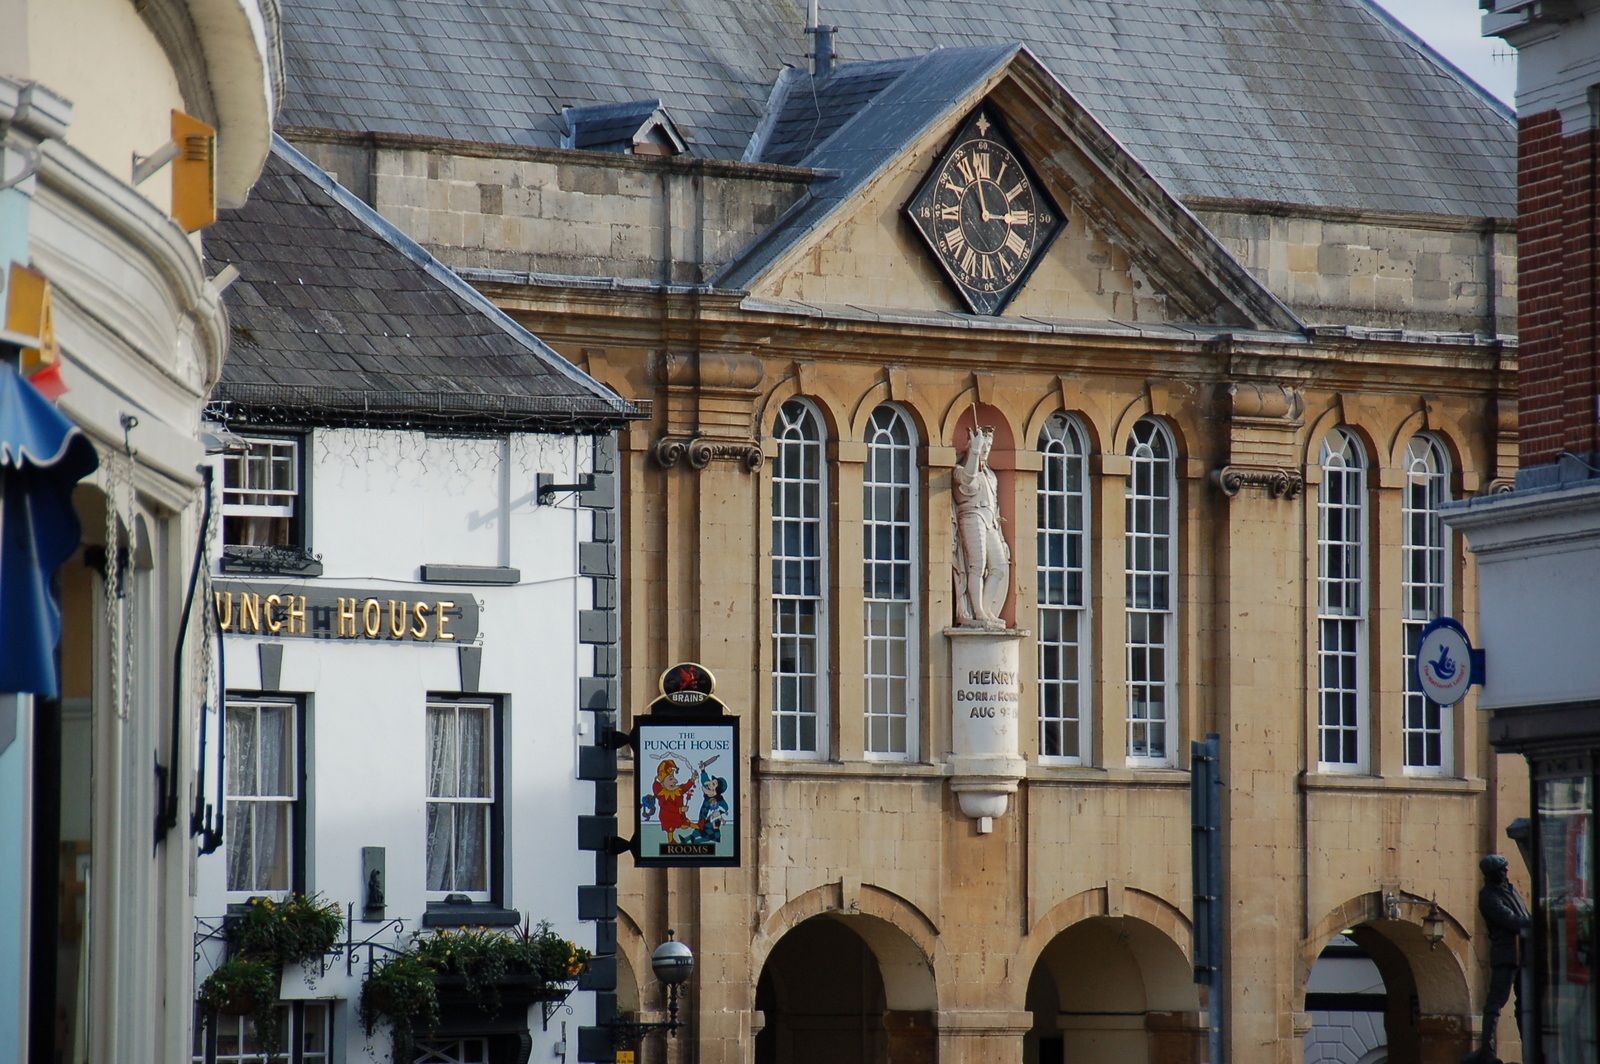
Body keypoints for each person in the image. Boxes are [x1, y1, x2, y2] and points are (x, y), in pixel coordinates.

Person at [1470, 853, 1529, 1064]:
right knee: (1495, 1003)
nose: (1505, 873)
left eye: (1505, 869)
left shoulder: (1510, 890)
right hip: (1506, 954)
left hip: (1524, 953)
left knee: (1525, 1005)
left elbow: (1523, 915)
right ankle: (1487, 1049)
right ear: (1492, 874)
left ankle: (1528, 1047)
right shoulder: (1488, 896)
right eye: (1501, 870)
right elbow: (1512, 921)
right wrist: (1536, 921)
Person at [952, 425, 1010, 629]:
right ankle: (977, 612)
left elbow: (994, 502)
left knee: (999, 566)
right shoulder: (960, 470)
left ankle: (986, 610)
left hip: (990, 520)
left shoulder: (991, 475)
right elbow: (968, 480)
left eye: (989, 445)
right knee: (977, 565)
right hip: (971, 515)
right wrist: (974, 452)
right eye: (983, 444)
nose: (986, 449)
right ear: (972, 445)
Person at [684, 757, 729, 845]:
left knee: (710, 834)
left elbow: (726, 807)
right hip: (703, 817)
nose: (709, 784)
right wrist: (703, 770)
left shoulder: (719, 799)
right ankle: (686, 839)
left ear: (717, 790)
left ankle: (694, 840)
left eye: (713, 784)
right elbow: (704, 779)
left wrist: (720, 812)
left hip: (711, 820)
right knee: (700, 828)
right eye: (711, 781)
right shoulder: (708, 791)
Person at [652, 758, 695, 843]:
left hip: (679, 816)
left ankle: (700, 826)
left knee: (685, 824)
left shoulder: (677, 790)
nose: (675, 781)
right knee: (670, 828)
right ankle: (671, 840)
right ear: (663, 783)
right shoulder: (662, 794)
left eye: (673, 778)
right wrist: (680, 809)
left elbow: (685, 787)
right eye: (671, 779)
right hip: (668, 817)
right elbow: (666, 805)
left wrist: (692, 779)